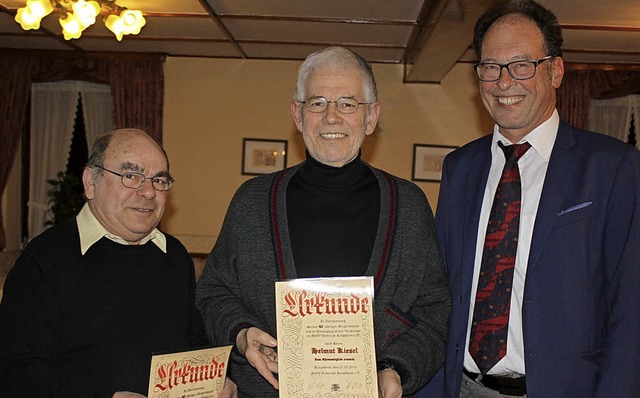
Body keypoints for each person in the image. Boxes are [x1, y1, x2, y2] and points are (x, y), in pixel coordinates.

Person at [196, 46, 451, 398]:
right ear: (298, 115)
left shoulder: (409, 206)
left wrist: (395, 368)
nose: (332, 117)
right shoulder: (251, 202)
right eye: (317, 103)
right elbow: (214, 292)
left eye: (348, 103)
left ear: (371, 117)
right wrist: (241, 333)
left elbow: (435, 310)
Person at [418, 1, 640, 397]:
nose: (504, 82)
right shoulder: (460, 168)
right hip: (462, 387)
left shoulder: (614, 168)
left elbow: (631, 309)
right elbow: (441, 292)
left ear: (555, 70)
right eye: (490, 66)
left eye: (521, 65)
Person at [0, 129, 237, 398]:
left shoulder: (174, 256)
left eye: (158, 179)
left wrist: (218, 380)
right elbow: (16, 374)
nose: (148, 191)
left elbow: (194, 342)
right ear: (91, 181)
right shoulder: (43, 260)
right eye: (131, 176)